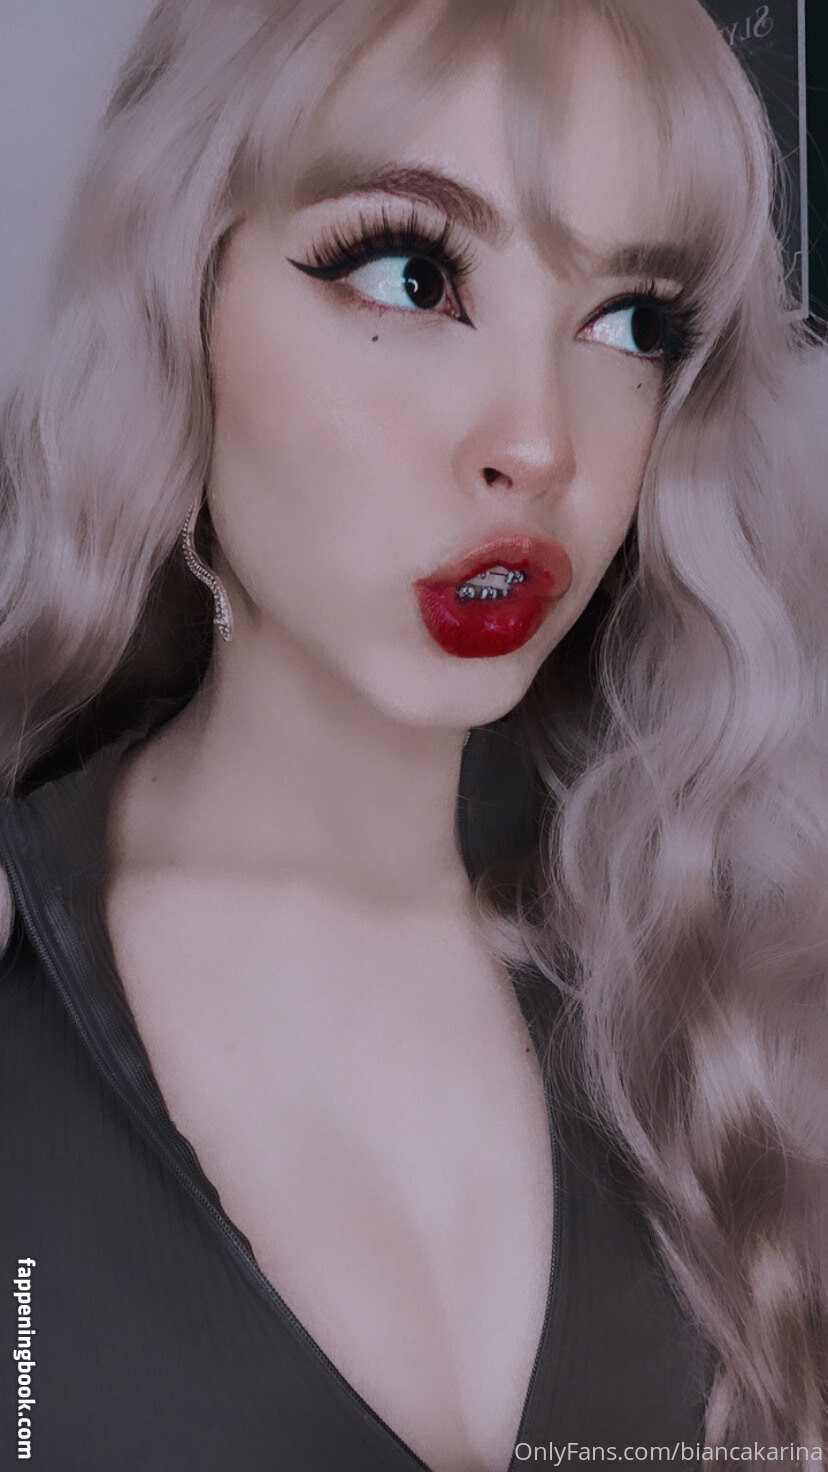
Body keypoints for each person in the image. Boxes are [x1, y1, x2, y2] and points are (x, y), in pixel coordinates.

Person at [0, 0, 824, 1467]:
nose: (541, 445)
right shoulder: (26, 994)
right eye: (414, 273)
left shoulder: (734, 985)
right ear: (180, 299)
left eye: (633, 323)